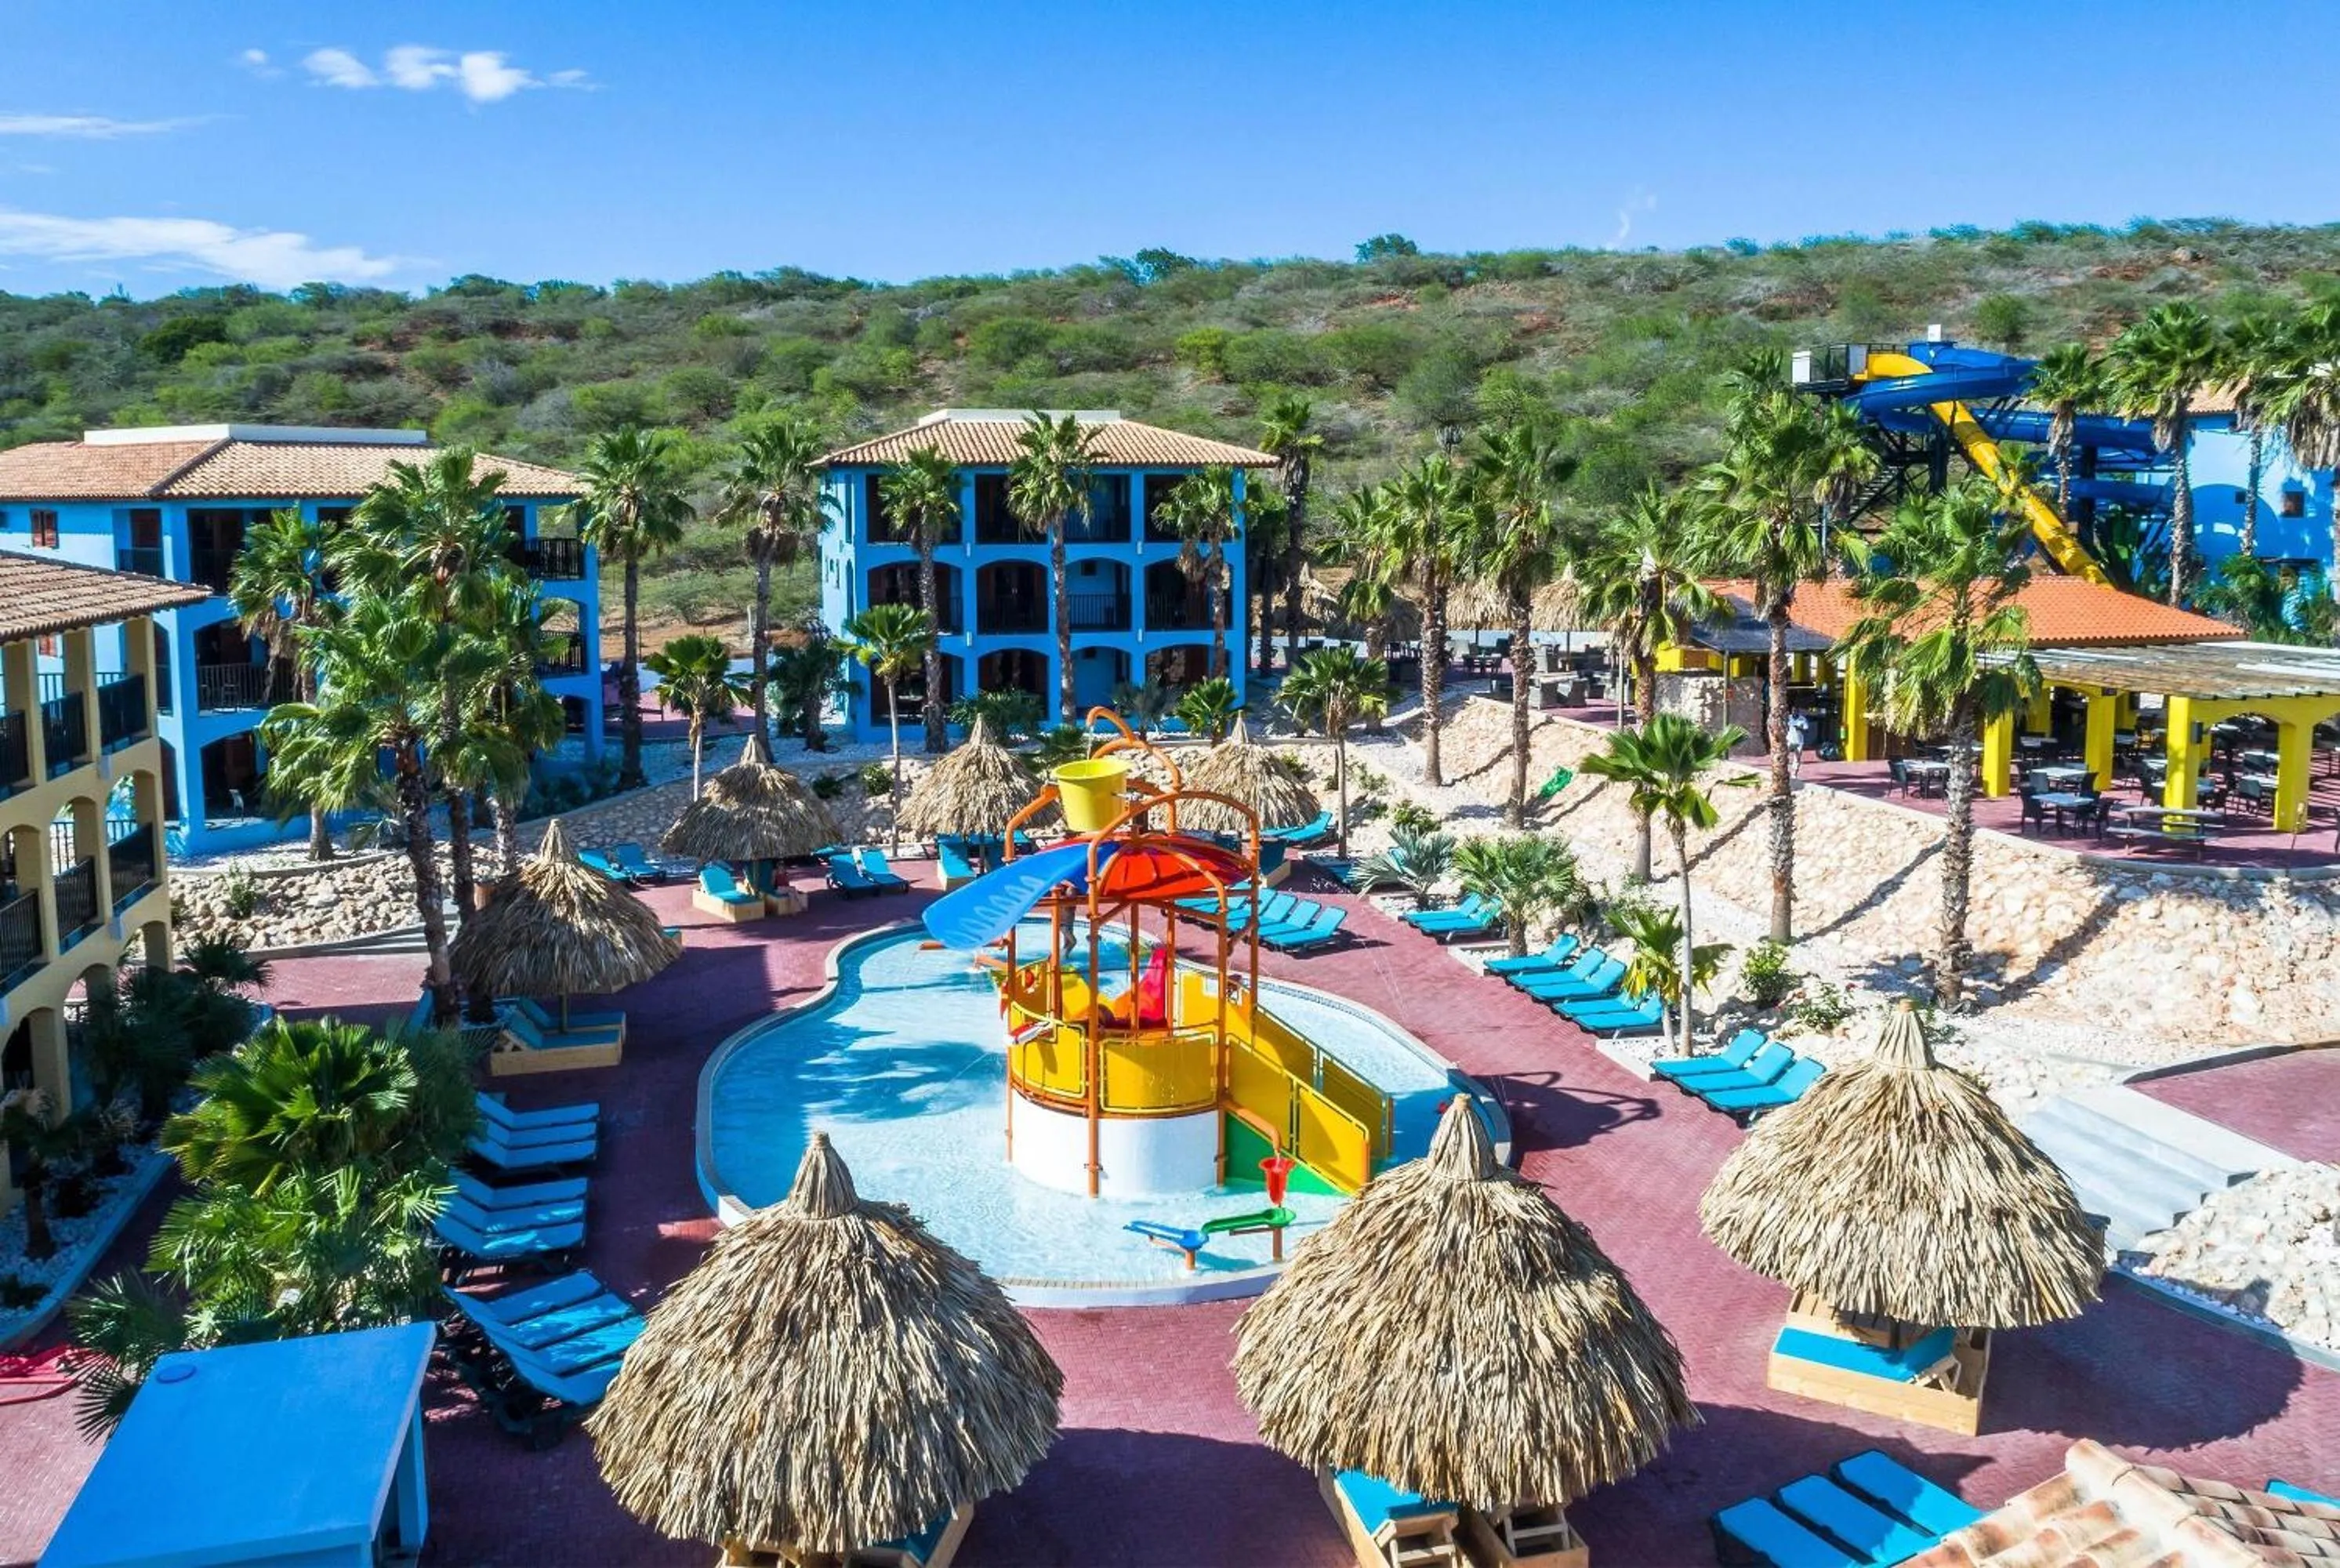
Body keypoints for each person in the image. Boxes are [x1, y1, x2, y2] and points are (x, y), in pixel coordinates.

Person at [1785, 710, 1810, 782]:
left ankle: (1794, 774)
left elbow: (1807, 730)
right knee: (1784, 756)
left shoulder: (1802, 719)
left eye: (1796, 711)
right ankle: (1785, 771)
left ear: (1798, 712)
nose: (1794, 712)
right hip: (1789, 741)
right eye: (1793, 711)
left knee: (1797, 758)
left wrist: (1800, 728)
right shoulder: (1788, 718)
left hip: (1799, 742)